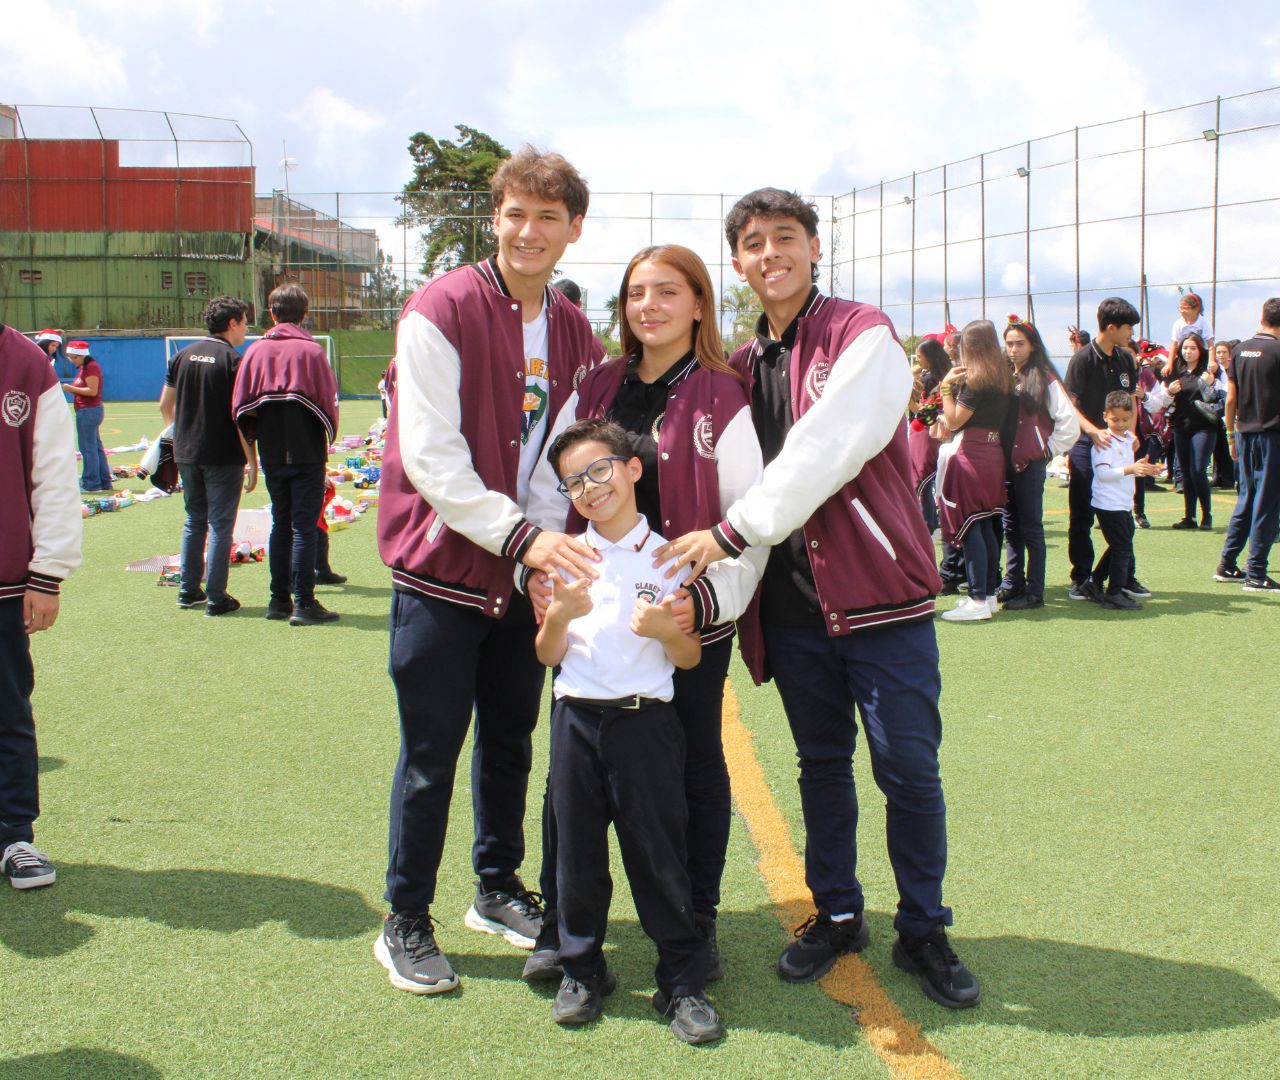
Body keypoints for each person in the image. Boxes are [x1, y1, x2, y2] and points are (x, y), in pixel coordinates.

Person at [656, 188, 979, 1009]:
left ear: (814, 247)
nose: (771, 253)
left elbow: (829, 447)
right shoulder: (737, 366)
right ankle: (836, 912)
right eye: (754, 242)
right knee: (822, 767)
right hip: (793, 607)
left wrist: (732, 531)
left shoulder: (862, 333)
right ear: (737, 263)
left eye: (785, 237)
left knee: (909, 770)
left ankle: (924, 928)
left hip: (882, 598)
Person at [372, 147, 605, 996]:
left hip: (519, 572)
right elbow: (431, 455)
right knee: (431, 753)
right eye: (515, 213)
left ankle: (496, 886)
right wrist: (522, 540)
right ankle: (405, 918)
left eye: (548, 217)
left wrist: (544, 552)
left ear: (574, 229)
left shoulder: (576, 331)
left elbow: (564, 457)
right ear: (494, 218)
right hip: (442, 568)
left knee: (511, 739)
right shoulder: (441, 306)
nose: (528, 231)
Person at [525, 244, 765, 983]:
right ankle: (562, 927)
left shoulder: (722, 393)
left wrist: (705, 601)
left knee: (693, 761)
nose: (648, 306)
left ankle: (695, 919)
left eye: (667, 291)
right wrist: (539, 564)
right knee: (572, 772)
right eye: (635, 293)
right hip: (594, 605)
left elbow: (748, 513)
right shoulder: (597, 384)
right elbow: (550, 483)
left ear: (699, 304)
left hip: (683, 609)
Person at [536, 418, 723, 1044]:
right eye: (574, 482)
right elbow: (547, 652)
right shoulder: (567, 558)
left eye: (600, 470)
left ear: (632, 468)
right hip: (575, 720)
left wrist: (667, 631)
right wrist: (558, 615)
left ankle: (682, 981)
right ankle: (581, 969)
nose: (590, 488)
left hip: (646, 723)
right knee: (577, 856)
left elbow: (689, 658)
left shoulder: (671, 556)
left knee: (659, 853)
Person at [0, 323, 83, 889]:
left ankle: (14, 835)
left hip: (4, 581)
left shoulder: (26, 364)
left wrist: (48, 573)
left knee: (6, 711)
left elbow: (53, 474)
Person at [232, 283, 340, 626]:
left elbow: (241, 406)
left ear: (272, 312)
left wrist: (252, 456)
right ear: (304, 313)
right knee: (304, 527)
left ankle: (278, 600)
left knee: (281, 523)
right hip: (307, 449)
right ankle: (304, 603)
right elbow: (328, 402)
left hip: (272, 449)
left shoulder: (256, 351)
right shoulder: (311, 352)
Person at [160, 296, 257, 616]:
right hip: (222, 453)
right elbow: (242, 417)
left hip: (186, 452)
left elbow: (164, 405)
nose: (246, 329)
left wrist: (179, 435)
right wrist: (252, 461)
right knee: (220, 525)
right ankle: (216, 596)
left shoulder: (181, 356)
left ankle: (188, 590)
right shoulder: (234, 361)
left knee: (194, 520)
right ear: (232, 323)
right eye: (244, 322)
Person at [1062, 297, 1150, 603]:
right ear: (1111, 327)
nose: (1131, 334)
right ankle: (1082, 577)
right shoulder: (1082, 359)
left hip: (1119, 444)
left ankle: (1124, 577)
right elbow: (1070, 406)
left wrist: (1132, 432)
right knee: (1083, 513)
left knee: (1123, 511)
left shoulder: (1126, 358)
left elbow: (1130, 400)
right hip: (1087, 444)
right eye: (1128, 328)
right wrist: (1093, 431)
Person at [936, 321, 1016, 622]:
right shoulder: (1003, 377)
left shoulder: (976, 379)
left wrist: (945, 388)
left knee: (971, 526)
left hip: (972, 453)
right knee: (985, 524)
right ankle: (989, 595)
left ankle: (978, 598)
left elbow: (954, 420)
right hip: (993, 453)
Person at [999, 319, 1080, 609]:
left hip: (1030, 464)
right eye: (1009, 343)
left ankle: (1035, 591)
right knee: (1011, 526)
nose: (1013, 349)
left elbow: (1069, 422)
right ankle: (1013, 582)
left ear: (1033, 346)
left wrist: (1046, 451)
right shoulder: (1004, 375)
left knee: (1031, 527)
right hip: (1004, 463)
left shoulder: (1045, 378)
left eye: (1019, 343)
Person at [1214, 299, 1280, 592]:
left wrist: (1231, 435)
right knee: (1267, 502)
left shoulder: (1240, 350)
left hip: (1245, 434)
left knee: (1247, 498)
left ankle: (1227, 564)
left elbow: (1231, 399)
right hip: (1272, 436)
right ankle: (1256, 572)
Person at [1090, 392, 1162, 610]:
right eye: (1115, 419)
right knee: (1123, 547)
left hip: (1122, 502)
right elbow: (1103, 474)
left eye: (1125, 419)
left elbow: (1126, 465)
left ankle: (1094, 582)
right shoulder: (1103, 441)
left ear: (1132, 417)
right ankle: (1114, 593)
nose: (1120, 424)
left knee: (1119, 544)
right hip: (1107, 503)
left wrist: (1145, 468)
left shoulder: (1129, 438)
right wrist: (1132, 469)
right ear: (1105, 416)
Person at [1164, 332, 1218, 530]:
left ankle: (1207, 516)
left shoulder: (1208, 372)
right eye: (1185, 348)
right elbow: (1164, 400)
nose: (1188, 351)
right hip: (1181, 427)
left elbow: (1218, 398)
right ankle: (1190, 517)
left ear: (1200, 351)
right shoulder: (1176, 371)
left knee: (1198, 470)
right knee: (1186, 472)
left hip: (1204, 427)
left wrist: (1210, 385)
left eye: (1193, 348)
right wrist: (1170, 391)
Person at [908, 336, 952, 535]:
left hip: (926, 434)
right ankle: (929, 522)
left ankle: (926, 524)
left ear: (929, 357)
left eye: (919, 357)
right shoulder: (940, 376)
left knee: (921, 480)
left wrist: (908, 397)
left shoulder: (936, 381)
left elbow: (924, 413)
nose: (918, 361)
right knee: (923, 480)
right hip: (925, 433)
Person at [61, 341, 113, 494]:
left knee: (88, 448)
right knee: (95, 448)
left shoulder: (91, 367)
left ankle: (92, 484)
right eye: (70, 357)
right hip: (88, 410)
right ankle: (104, 481)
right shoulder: (85, 368)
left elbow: (92, 391)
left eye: (74, 357)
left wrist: (70, 388)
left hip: (89, 411)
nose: (72, 360)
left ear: (81, 355)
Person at [1168, 291, 1213, 359]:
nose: (1182, 311)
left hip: (1202, 357)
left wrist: (1211, 361)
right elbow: (1174, 345)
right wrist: (1169, 363)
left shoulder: (1204, 323)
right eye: (1180, 308)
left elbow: (1210, 345)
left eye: (1185, 308)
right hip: (1183, 357)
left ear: (1196, 309)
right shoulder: (1178, 324)